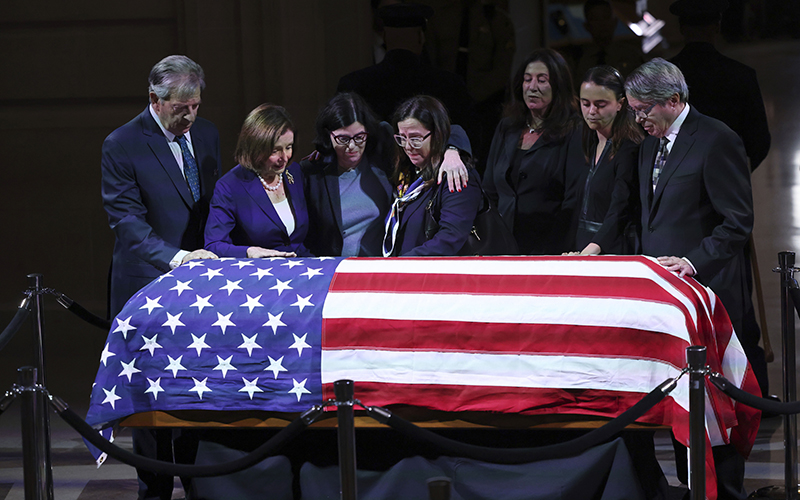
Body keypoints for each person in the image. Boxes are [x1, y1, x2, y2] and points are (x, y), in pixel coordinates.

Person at [625, 58, 757, 500]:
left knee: (717, 411)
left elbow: (737, 222)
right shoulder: (649, 144)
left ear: (674, 100)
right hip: (669, 301)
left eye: (644, 110)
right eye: (634, 110)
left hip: (710, 293)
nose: (638, 119)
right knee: (684, 405)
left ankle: (727, 494)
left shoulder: (717, 139)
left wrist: (693, 262)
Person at [101, 54, 219, 500]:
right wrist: (177, 257)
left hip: (199, 287)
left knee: (195, 386)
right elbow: (127, 223)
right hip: (147, 283)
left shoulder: (207, 134)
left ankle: (196, 485)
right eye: (180, 107)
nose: (190, 116)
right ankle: (153, 490)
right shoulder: (122, 143)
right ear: (155, 99)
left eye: (196, 105)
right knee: (150, 398)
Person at [302, 92, 472, 257]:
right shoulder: (312, 172)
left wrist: (453, 150)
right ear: (328, 135)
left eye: (359, 137)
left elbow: (446, 129)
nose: (352, 146)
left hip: (380, 267)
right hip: (334, 271)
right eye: (343, 139)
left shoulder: (382, 149)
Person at [337, 2, 478, 147]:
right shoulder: (449, 84)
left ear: (384, 37)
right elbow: (467, 137)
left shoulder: (353, 84)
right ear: (421, 37)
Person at [483, 48, 581, 255]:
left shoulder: (574, 129)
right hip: (502, 244)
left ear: (558, 85)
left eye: (542, 80)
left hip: (550, 247)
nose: (532, 87)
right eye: (527, 80)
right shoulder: (507, 128)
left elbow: (573, 199)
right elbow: (490, 190)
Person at [669, 0, 770, 171]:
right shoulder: (741, 75)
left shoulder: (660, 77)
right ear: (717, 26)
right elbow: (759, 141)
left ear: (681, 28)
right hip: (725, 172)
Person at [205, 104, 311, 258]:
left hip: (303, 266)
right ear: (255, 148)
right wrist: (249, 252)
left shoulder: (294, 172)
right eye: (275, 150)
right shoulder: (230, 186)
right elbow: (213, 245)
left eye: (288, 147)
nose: (284, 157)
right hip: (260, 273)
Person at [382, 95, 481, 256]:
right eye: (402, 138)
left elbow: (450, 237)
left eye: (415, 138)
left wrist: (401, 264)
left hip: (436, 277)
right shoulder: (408, 173)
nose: (408, 146)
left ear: (436, 134)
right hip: (406, 274)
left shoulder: (456, 174)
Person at [568, 65, 643, 255]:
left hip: (614, 249)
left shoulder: (629, 148)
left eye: (600, 105)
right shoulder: (585, 142)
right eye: (585, 104)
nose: (592, 111)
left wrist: (593, 248)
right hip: (584, 247)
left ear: (620, 104)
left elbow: (621, 206)